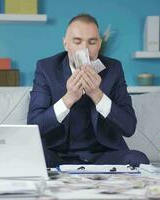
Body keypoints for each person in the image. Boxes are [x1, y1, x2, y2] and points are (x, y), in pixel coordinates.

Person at [27, 13, 149, 168]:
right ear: (66, 44)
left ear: (99, 44)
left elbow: (129, 127)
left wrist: (97, 95)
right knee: (33, 157)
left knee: (138, 159)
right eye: (77, 41)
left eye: (92, 42)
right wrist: (69, 98)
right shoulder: (46, 68)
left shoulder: (113, 69)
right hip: (59, 155)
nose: (84, 49)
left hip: (102, 155)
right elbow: (34, 126)